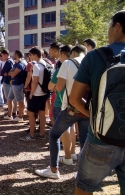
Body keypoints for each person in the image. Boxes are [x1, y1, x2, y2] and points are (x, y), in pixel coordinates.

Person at [70, 10, 125, 195]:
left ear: (117, 26)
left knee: (85, 188)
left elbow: (74, 98)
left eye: (110, 26)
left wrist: (96, 117)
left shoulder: (96, 56)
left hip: (101, 139)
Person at [35, 45, 89, 179]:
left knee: (54, 135)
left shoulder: (68, 63)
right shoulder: (91, 61)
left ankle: (53, 170)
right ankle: (83, 174)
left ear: (73, 53)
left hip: (72, 107)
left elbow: (59, 87)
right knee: (84, 140)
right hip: (88, 107)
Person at [20, 47, 47, 141]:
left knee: (31, 114)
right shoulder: (45, 63)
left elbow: (34, 81)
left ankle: (31, 135)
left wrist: (31, 94)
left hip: (36, 93)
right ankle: (42, 133)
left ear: (35, 55)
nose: (30, 56)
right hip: (44, 92)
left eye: (30, 54)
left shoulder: (36, 66)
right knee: (42, 113)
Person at [4, 50, 25, 122]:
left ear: (17, 55)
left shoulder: (20, 64)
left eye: (14, 54)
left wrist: (11, 72)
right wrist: (11, 72)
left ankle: (20, 117)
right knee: (9, 99)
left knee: (20, 101)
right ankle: (9, 115)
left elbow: (12, 74)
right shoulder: (15, 64)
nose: (13, 55)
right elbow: (10, 72)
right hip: (13, 84)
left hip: (18, 85)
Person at [0, 50, 17, 116]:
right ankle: (13, 111)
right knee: (12, 98)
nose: (1, 57)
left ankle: (11, 112)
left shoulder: (8, 62)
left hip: (7, 81)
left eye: (2, 55)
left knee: (9, 98)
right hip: (10, 81)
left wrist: (4, 72)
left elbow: (2, 72)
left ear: (6, 54)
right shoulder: (12, 61)